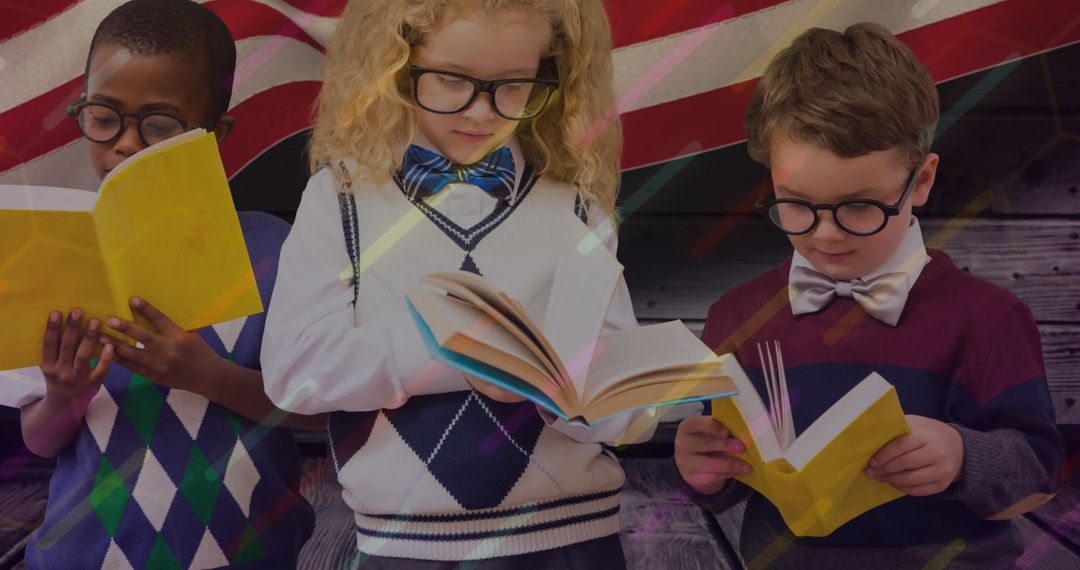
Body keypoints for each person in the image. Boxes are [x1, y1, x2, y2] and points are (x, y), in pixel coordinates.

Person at [260, 0, 653, 566]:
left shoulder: (578, 206)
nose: (482, 112)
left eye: (514, 85)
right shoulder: (338, 198)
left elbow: (627, 410)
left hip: (571, 542)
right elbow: (295, 375)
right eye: (450, 81)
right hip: (402, 549)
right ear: (393, 66)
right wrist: (455, 345)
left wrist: (549, 388)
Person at [674, 23, 1064, 569]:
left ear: (921, 181)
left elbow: (1042, 479)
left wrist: (961, 457)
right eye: (796, 204)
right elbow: (731, 482)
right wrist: (704, 471)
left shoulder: (989, 319)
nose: (826, 234)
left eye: (861, 206)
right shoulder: (735, 316)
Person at [8, 1, 317, 567]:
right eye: (103, 117)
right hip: (84, 555)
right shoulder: (53, 250)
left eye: (160, 125)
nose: (126, 144)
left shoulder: (279, 249)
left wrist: (209, 377)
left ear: (213, 134)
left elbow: (321, 413)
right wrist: (64, 395)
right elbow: (41, 441)